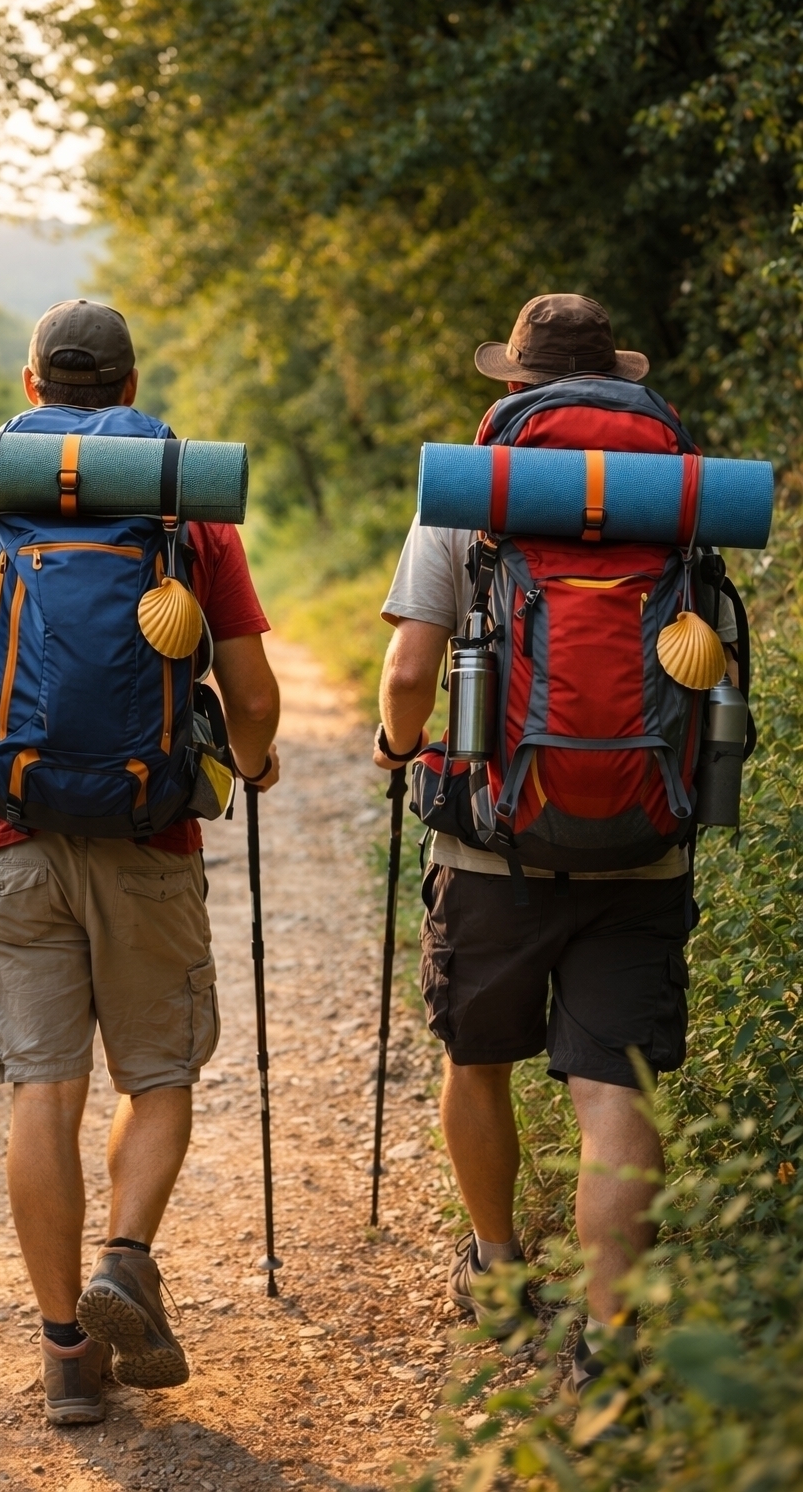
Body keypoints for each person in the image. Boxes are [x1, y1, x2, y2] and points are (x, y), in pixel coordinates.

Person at [0, 300, 281, 1424]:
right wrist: (253, 763)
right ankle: (126, 1258)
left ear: (30, 387)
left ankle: (66, 1352)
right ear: (131, 385)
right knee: (156, 1078)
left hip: (13, 834)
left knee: (42, 1092)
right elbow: (251, 697)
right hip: (150, 835)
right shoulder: (183, 510)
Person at [373, 294, 738, 1399]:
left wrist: (400, 749)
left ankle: (495, 1269)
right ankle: (611, 1344)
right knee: (613, 1088)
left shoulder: (475, 493)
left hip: (494, 841)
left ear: (515, 383)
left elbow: (408, 673)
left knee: (476, 1056)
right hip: (644, 839)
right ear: (619, 380)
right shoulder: (678, 496)